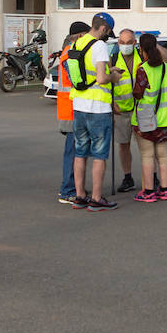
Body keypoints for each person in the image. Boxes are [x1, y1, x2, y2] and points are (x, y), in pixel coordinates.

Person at [67, 12, 118, 210]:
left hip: (79, 105)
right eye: (108, 32)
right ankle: (96, 198)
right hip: (98, 108)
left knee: (80, 152)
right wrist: (113, 75)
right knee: (99, 154)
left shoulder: (76, 44)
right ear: (104, 29)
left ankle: (80, 195)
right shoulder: (99, 46)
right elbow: (102, 78)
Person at [131, 31, 167, 202]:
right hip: (166, 118)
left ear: (142, 49)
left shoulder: (143, 69)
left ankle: (149, 192)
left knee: (147, 156)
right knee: (163, 156)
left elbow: (138, 93)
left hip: (146, 119)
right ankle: (164, 190)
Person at [56, 21, 88, 205]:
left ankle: (74, 187)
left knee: (76, 150)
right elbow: (78, 81)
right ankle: (68, 190)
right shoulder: (70, 54)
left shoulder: (68, 51)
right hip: (72, 109)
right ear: (79, 36)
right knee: (73, 151)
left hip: (71, 108)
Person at [108, 28, 143, 193]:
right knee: (123, 145)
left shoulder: (143, 57)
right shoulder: (113, 59)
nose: (125, 45)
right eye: (122, 42)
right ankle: (127, 177)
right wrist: (110, 102)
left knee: (146, 145)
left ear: (135, 43)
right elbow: (107, 85)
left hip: (141, 110)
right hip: (121, 111)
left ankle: (153, 176)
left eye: (129, 42)